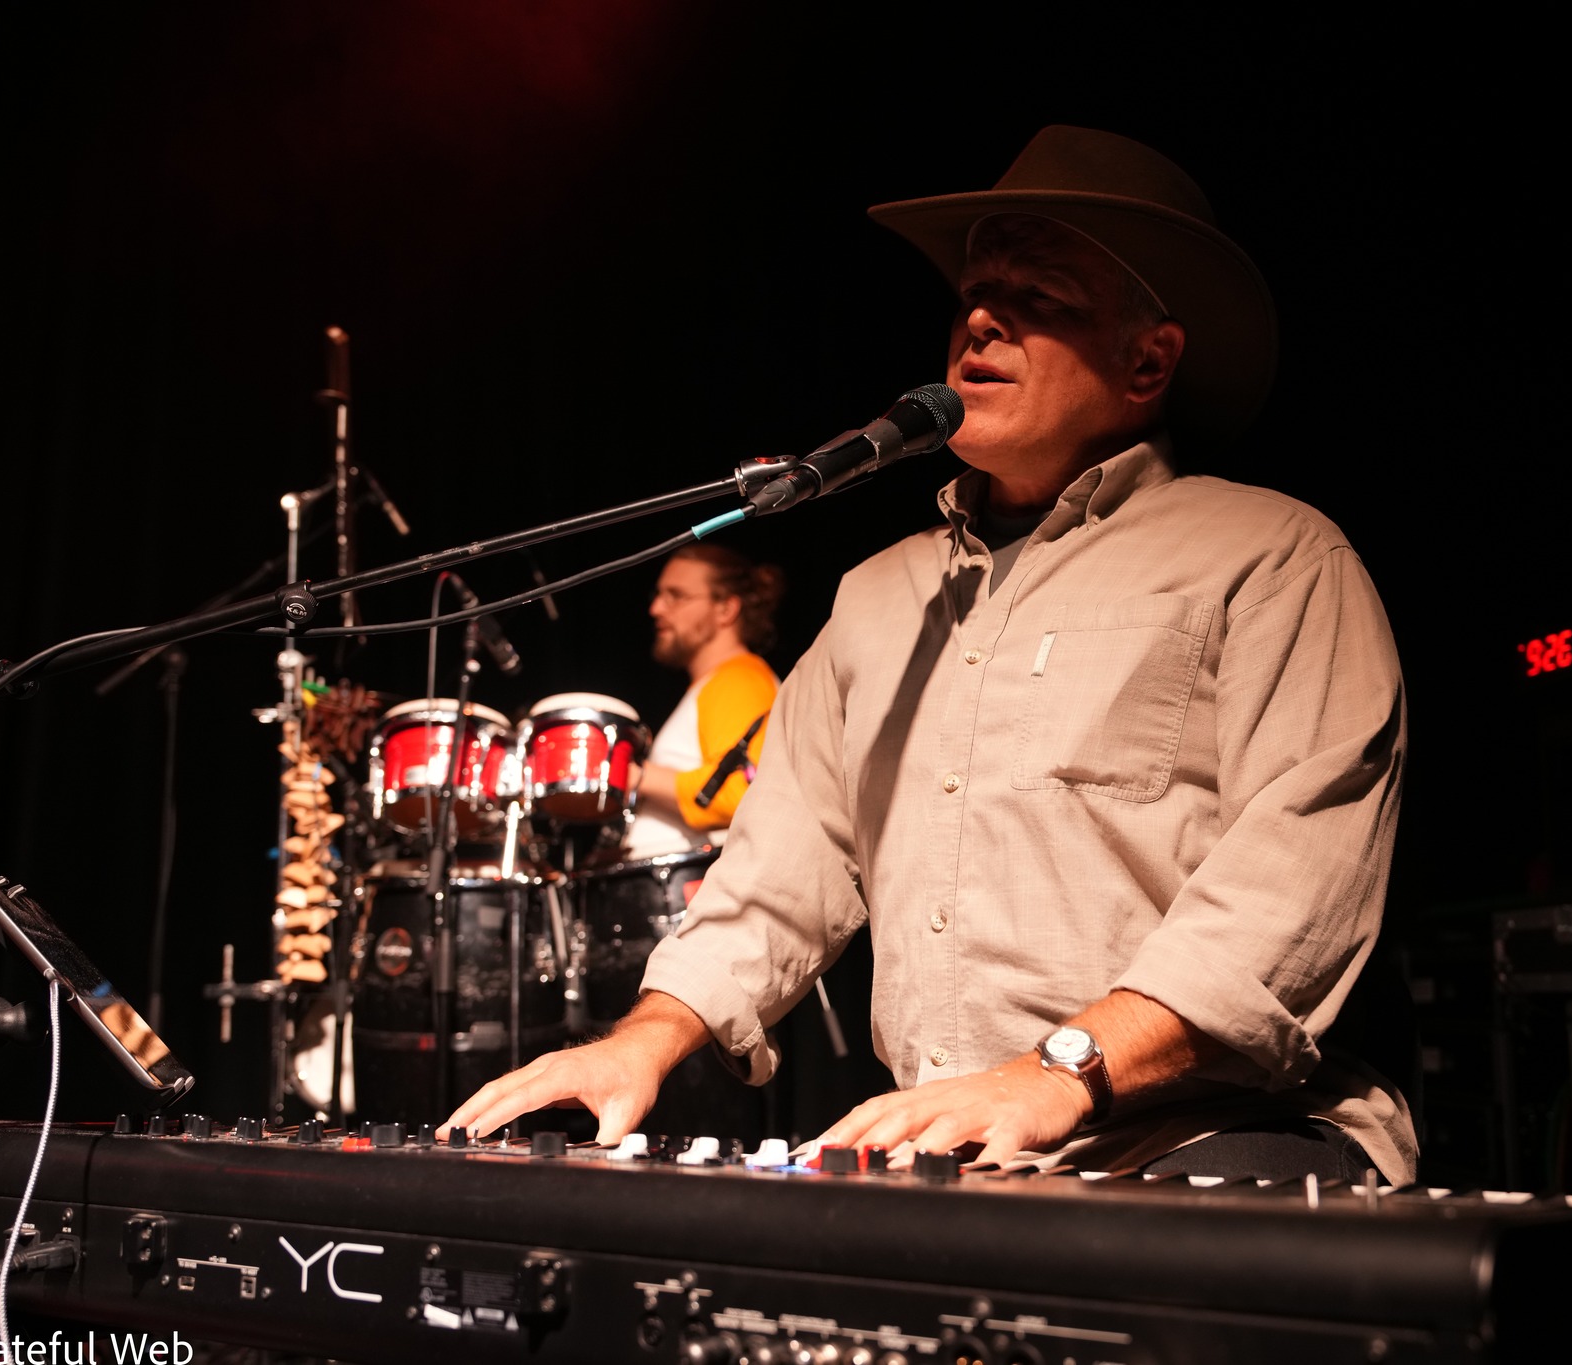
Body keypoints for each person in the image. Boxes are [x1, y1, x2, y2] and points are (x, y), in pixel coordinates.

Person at [447, 126, 1414, 1185]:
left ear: (1148, 360)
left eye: (1038, 294)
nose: (982, 319)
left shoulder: (1272, 558)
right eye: (975, 293)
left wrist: (1052, 1074)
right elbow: (778, 873)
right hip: (956, 1153)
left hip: (1205, 1137)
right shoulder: (875, 598)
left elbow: (1288, 891)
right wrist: (640, 1040)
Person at [624, 545, 783, 862]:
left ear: (725, 609)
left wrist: (635, 775)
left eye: (676, 596)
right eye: (659, 594)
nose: (656, 608)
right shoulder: (715, 684)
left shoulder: (738, 679)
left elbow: (746, 791)